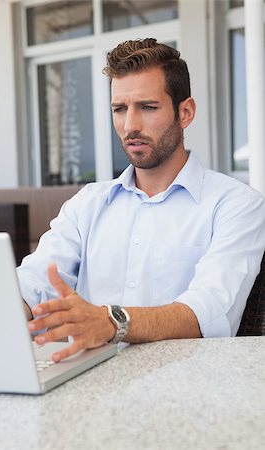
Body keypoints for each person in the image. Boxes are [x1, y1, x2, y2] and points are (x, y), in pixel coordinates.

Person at [18, 38, 265, 362]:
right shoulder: (87, 204)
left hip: (187, 391)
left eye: (147, 107)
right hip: (89, 388)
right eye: (120, 109)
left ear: (185, 112)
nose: (130, 125)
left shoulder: (236, 205)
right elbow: (32, 286)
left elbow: (210, 311)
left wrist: (110, 322)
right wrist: (3, 308)